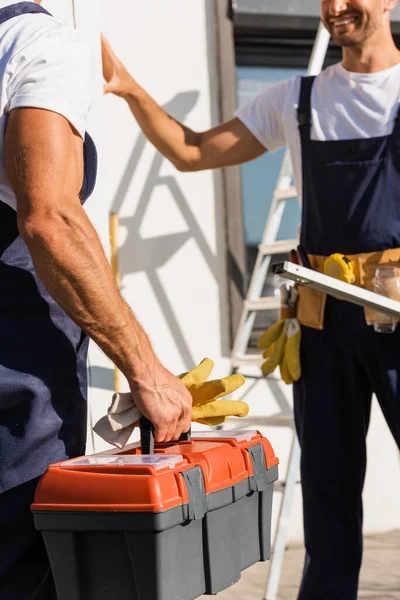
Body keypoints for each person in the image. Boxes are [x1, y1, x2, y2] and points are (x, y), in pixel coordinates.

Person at [101, 1, 400, 598]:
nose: (336, 7)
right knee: (328, 496)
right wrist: (128, 88)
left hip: (397, 320)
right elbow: (191, 152)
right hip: (320, 324)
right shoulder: (295, 98)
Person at [0, 1, 192, 598]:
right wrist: (148, 370)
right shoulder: (46, 44)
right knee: (20, 566)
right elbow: (51, 219)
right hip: (17, 366)